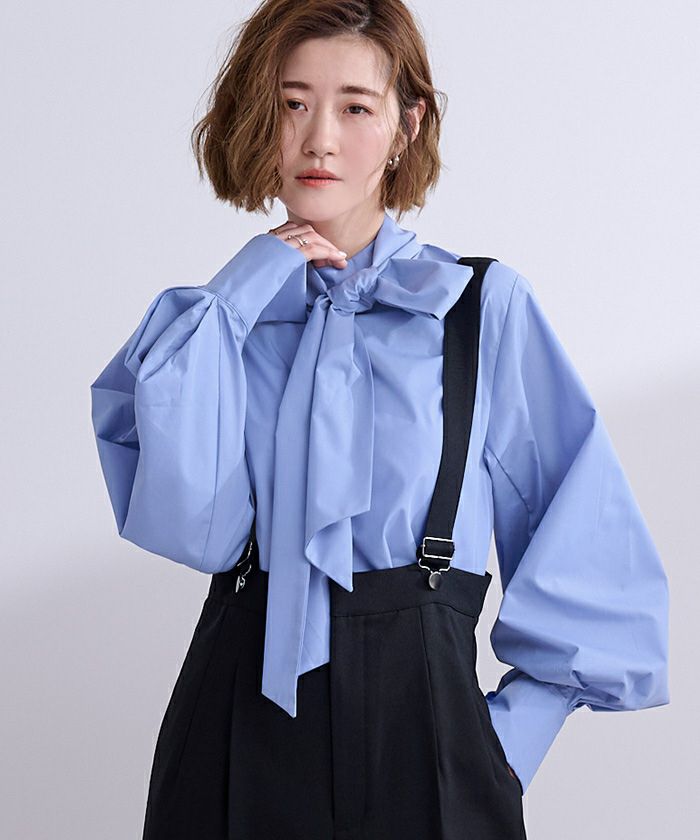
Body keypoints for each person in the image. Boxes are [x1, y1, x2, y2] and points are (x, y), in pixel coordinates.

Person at [89, 1, 670, 838]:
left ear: (407, 124)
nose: (319, 139)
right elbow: (194, 532)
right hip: (236, 719)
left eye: (355, 106)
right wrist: (236, 293)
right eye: (292, 103)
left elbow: (587, 533)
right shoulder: (216, 329)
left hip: (427, 727)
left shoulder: (478, 309)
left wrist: (506, 745)